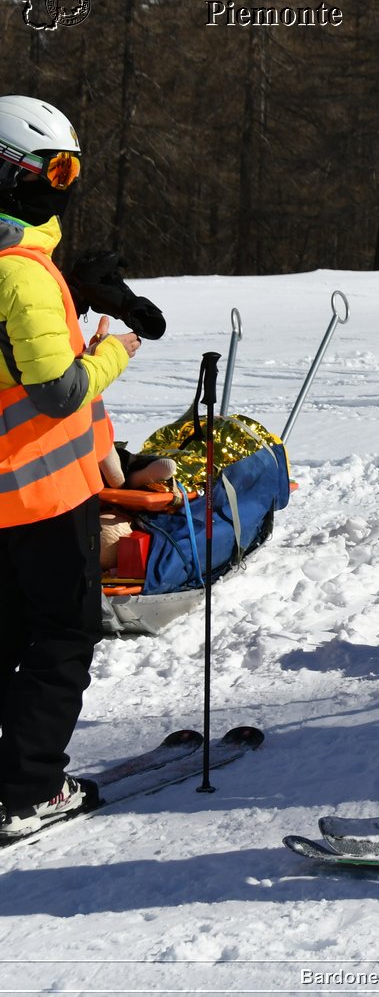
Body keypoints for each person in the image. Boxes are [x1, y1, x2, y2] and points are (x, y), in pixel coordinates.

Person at [0, 95, 141, 839]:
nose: (64, 185)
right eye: (54, 170)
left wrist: (75, 297)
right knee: (60, 639)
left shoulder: (22, 264)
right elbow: (56, 393)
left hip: (8, 495)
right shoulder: (18, 270)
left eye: (72, 169)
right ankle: (28, 789)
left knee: (8, 634)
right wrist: (114, 350)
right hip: (42, 494)